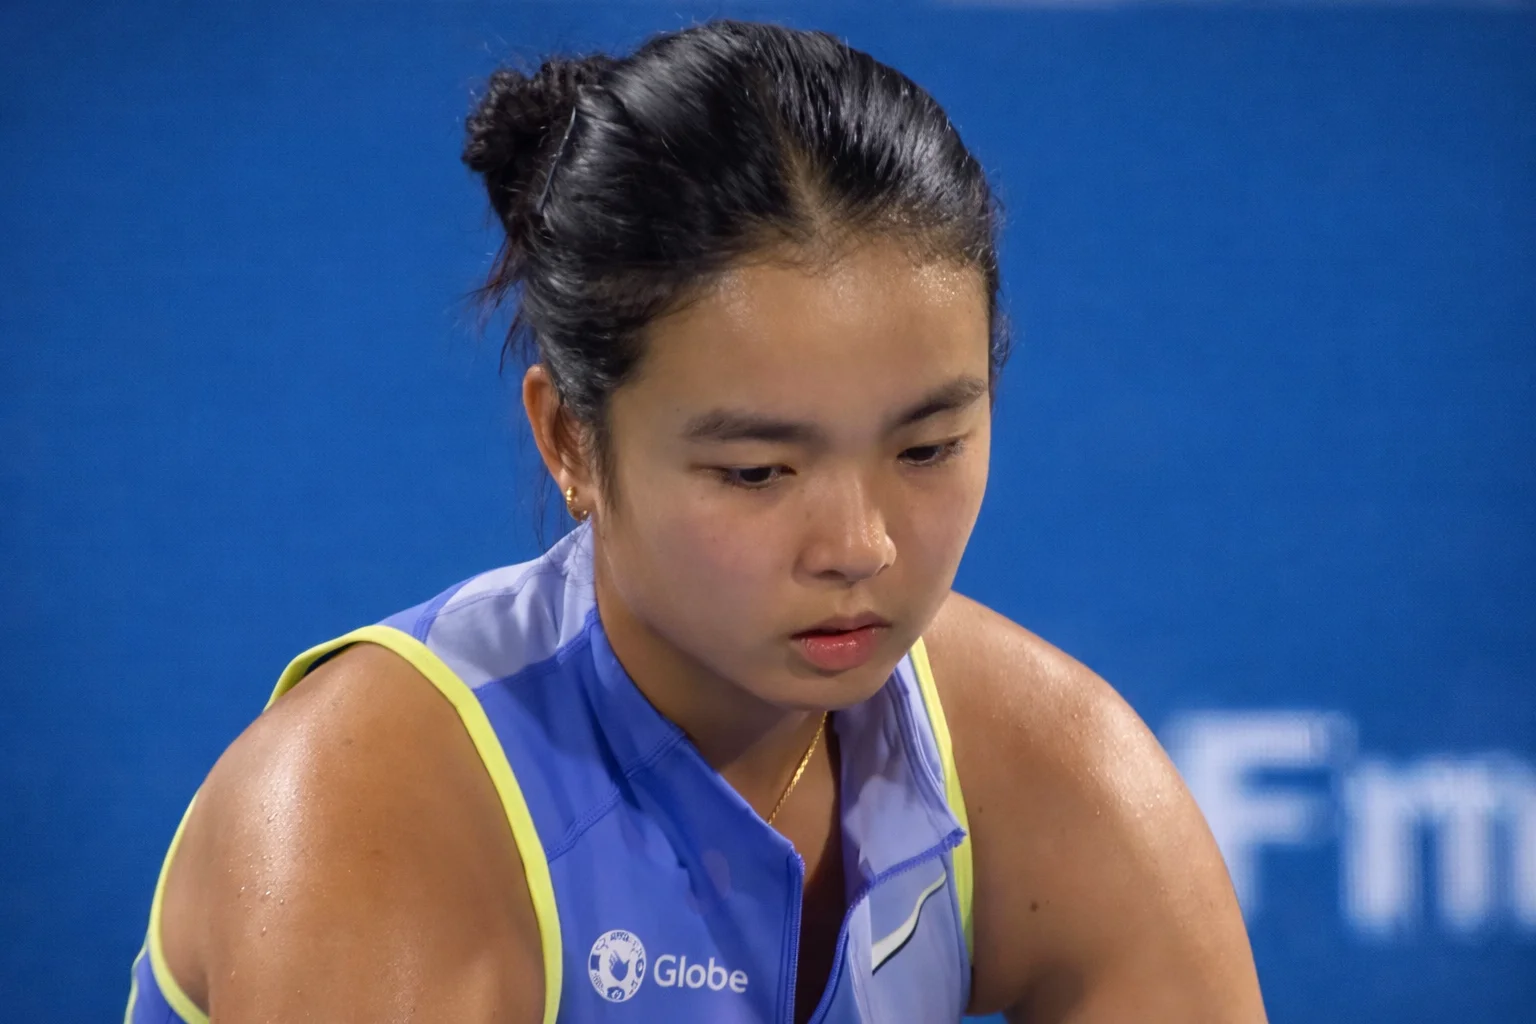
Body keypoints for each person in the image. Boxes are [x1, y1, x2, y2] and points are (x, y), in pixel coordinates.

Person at [125, 19, 1266, 1024]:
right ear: (572, 441)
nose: (860, 544)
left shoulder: (1043, 757)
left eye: (927, 449)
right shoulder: (370, 802)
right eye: (759, 471)